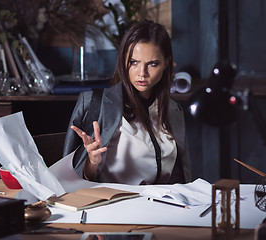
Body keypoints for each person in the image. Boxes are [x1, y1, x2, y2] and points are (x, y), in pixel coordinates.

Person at [63, 21, 191, 185]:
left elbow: (180, 176)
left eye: (152, 64)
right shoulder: (94, 104)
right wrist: (92, 162)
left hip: (160, 206)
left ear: (167, 63)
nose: (142, 73)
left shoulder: (173, 111)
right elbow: (72, 180)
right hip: (111, 206)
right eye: (133, 62)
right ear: (123, 61)